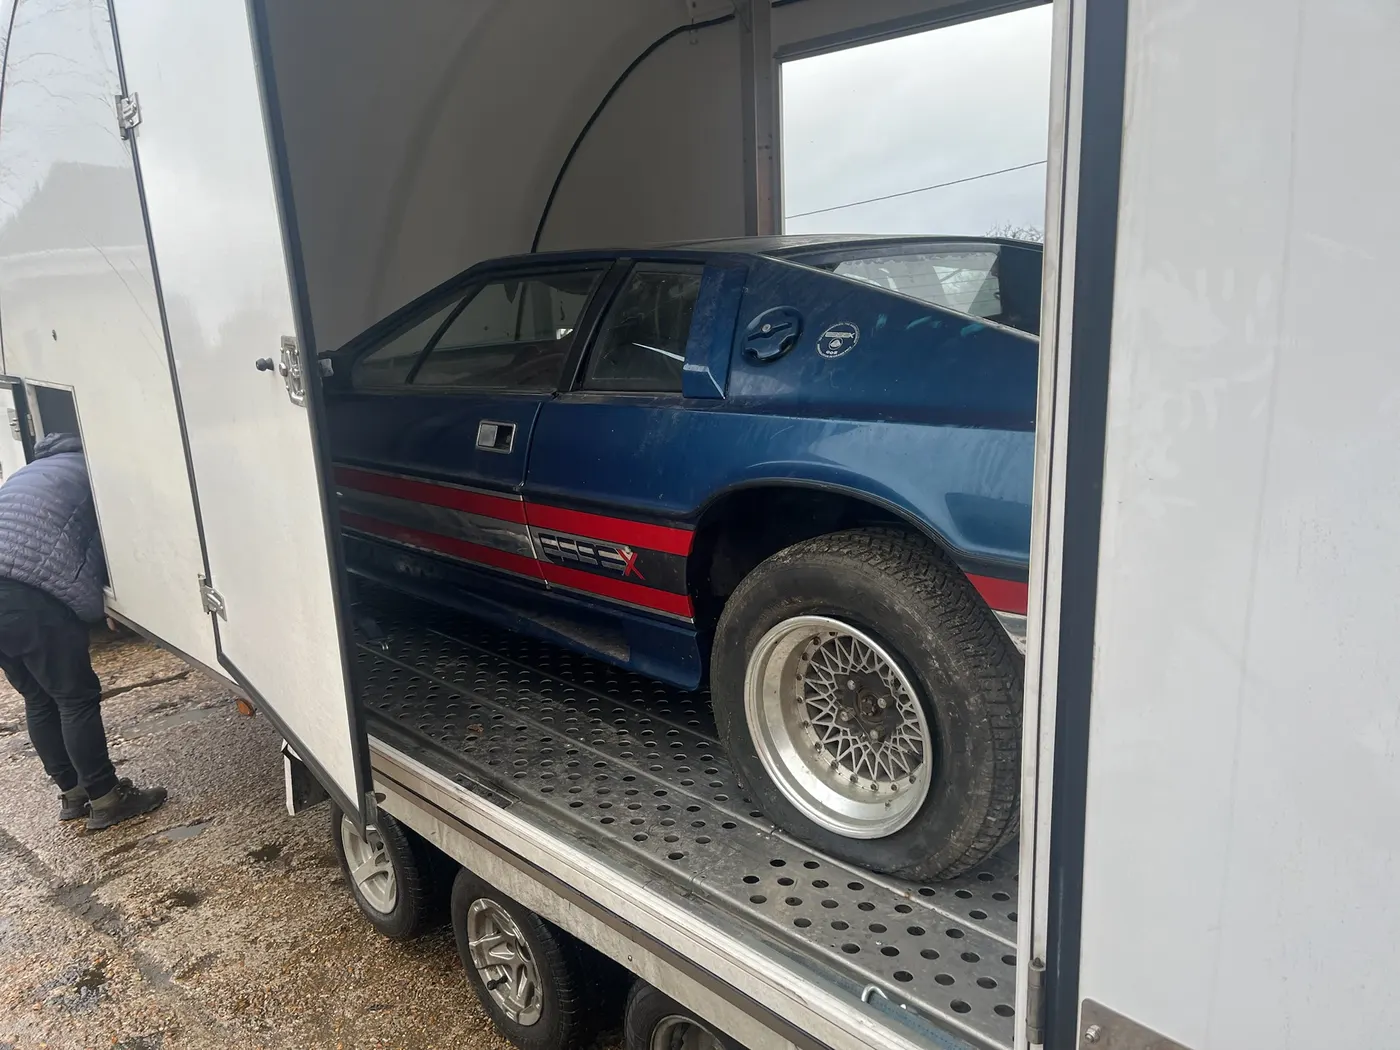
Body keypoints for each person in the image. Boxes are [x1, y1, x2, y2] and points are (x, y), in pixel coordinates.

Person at [0, 432, 166, 829]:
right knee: (75, 699)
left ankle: (73, 794)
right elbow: (99, 547)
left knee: (40, 698)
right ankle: (107, 798)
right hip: (28, 595)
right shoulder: (95, 475)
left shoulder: (34, 471)